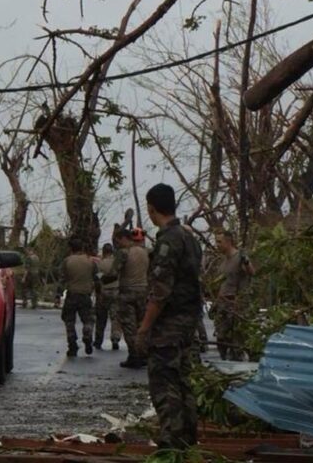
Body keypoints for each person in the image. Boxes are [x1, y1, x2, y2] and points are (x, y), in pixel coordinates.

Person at [136, 183, 203, 450]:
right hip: (189, 321)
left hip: (170, 324)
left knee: (164, 382)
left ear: (152, 209)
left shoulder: (169, 241)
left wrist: (144, 328)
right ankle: (187, 436)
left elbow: (160, 291)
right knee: (183, 380)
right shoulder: (190, 238)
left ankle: (171, 439)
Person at [103, 229, 149, 368]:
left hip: (127, 292)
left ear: (123, 238)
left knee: (129, 326)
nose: (117, 244)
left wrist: (100, 278)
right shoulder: (145, 251)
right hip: (143, 291)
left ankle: (134, 356)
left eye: (118, 241)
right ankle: (144, 353)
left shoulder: (124, 253)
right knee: (141, 324)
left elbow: (113, 274)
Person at [214, 230, 255, 361]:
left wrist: (246, 261)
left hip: (236, 304)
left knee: (237, 339)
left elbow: (251, 272)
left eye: (219, 242)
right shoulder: (223, 261)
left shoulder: (239, 257)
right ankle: (224, 362)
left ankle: (237, 362)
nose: (217, 244)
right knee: (221, 337)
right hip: (222, 305)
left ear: (228, 241)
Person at [61, 238, 99, 357]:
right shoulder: (90, 262)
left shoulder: (67, 261)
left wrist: (58, 294)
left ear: (70, 248)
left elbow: (62, 279)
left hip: (72, 294)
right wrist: (98, 292)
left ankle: (72, 344)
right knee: (88, 319)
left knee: (69, 320)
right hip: (85, 295)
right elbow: (97, 278)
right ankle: (87, 334)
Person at [95, 243, 122, 351]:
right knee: (115, 317)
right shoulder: (117, 263)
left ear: (104, 252)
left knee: (101, 317)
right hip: (116, 291)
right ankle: (115, 338)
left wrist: (98, 293)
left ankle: (98, 340)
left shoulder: (100, 264)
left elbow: (97, 279)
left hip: (104, 292)